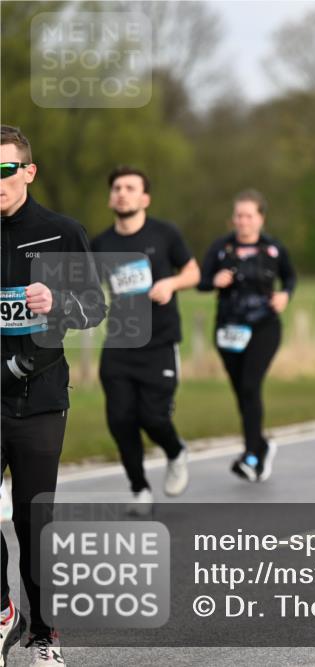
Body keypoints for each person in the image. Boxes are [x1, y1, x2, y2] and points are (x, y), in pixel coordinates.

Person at [1, 125, 106, 667]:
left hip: (39, 398)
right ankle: (3, 609)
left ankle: (44, 634)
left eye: (4, 169)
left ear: (28, 172)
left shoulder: (60, 232)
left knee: (33, 521)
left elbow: (95, 309)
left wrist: (57, 299)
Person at [90, 166, 200, 515]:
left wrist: (171, 283)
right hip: (119, 345)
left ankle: (175, 451)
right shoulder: (101, 244)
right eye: (117, 188)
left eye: (130, 188)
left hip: (159, 343)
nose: (122, 193)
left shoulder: (165, 234)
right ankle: (139, 488)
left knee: (154, 419)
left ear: (145, 198)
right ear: (111, 198)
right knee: (120, 420)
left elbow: (193, 272)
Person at [198, 190, 296, 482]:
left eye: (249, 216)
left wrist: (285, 295)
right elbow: (201, 280)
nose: (243, 221)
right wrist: (214, 281)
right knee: (242, 390)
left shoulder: (273, 248)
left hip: (263, 326)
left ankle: (251, 455)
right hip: (228, 328)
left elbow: (290, 277)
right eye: (239, 216)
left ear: (261, 218)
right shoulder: (221, 248)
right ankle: (260, 444)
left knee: (251, 385)